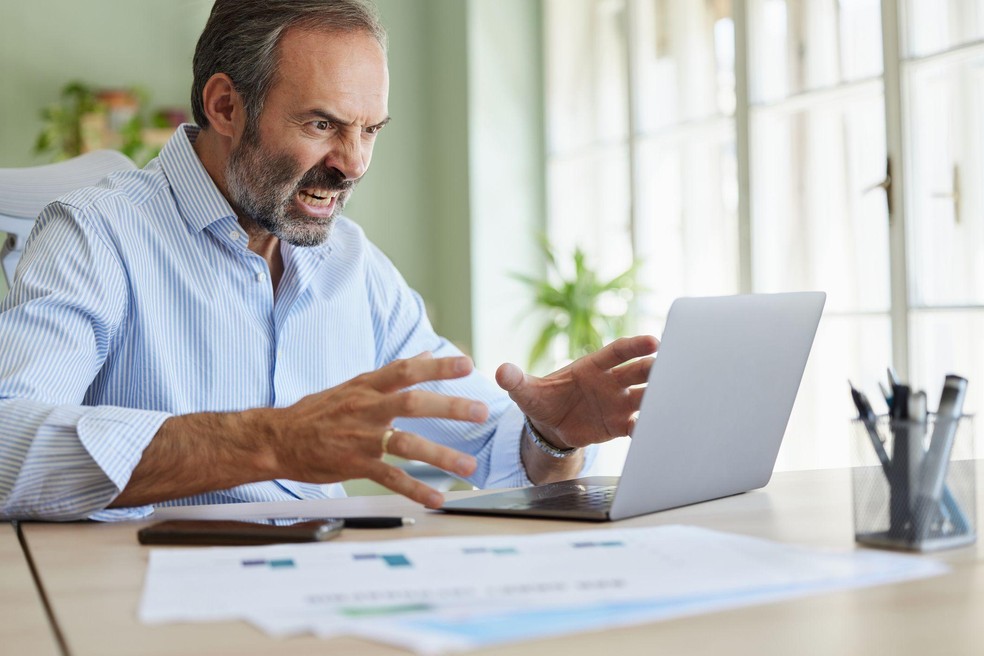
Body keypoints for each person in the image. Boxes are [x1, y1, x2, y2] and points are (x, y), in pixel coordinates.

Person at [0, 0, 657, 521]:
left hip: (322, 594)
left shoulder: (350, 264)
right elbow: (9, 447)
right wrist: (272, 441)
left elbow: (490, 450)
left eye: (369, 130)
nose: (353, 164)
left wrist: (553, 436)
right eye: (321, 125)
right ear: (226, 106)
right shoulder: (94, 233)